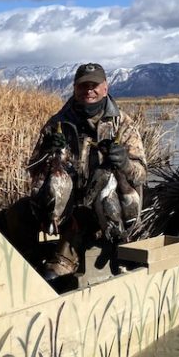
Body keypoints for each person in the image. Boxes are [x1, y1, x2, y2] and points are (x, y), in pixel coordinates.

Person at [28, 62, 147, 281]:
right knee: (21, 214)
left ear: (105, 88)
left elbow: (140, 175)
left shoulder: (123, 124)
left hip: (111, 206)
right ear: (74, 88)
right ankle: (38, 257)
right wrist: (47, 153)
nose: (88, 90)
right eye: (83, 85)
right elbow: (32, 170)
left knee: (114, 188)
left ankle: (118, 242)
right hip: (71, 207)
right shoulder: (57, 124)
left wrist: (124, 163)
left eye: (94, 85)